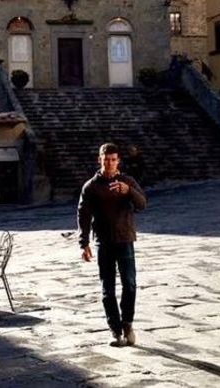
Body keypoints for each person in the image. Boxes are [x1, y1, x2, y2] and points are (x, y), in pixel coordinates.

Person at [77, 142, 147, 347]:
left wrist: (128, 191)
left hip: (125, 239)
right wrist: (84, 243)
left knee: (130, 284)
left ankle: (127, 324)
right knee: (107, 289)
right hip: (104, 242)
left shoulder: (127, 181)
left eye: (113, 160)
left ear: (118, 161)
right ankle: (115, 330)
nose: (109, 163)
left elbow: (142, 204)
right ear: (99, 160)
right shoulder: (91, 186)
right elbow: (83, 215)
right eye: (106, 159)